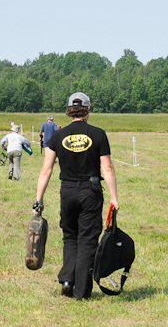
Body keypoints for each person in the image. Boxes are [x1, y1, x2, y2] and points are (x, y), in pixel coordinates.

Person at [34, 93, 119, 300]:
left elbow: (46, 170)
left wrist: (39, 200)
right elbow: (106, 167)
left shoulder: (58, 136)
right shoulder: (98, 134)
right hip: (90, 192)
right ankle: (81, 292)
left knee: (70, 237)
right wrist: (114, 198)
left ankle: (67, 280)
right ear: (88, 110)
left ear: (69, 110)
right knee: (88, 240)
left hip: (68, 192)